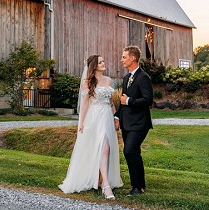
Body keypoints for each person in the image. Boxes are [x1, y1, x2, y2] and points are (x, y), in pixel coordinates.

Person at [59, 55, 123, 199]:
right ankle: (106, 186)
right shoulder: (87, 82)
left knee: (107, 148)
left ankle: (103, 180)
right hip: (94, 118)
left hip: (107, 116)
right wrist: (81, 123)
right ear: (94, 66)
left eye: (103, 61)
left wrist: (115, 117)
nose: (103, 63)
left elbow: (111, 103)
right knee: (103, 148)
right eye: (100, 62)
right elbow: (85, 104)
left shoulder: (108, 80)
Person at [114, 45, 153, 196]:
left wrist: (130, 101)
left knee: (129, 151)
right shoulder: (126, 78)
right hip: (127, 123)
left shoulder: (144, 77)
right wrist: (117, 116)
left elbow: (148, 100)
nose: (122, 59)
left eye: (124, 57)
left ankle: (137, 186)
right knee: (133, 152)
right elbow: (122, 102)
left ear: (133, 58)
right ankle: (138, 185)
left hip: (140, 123)